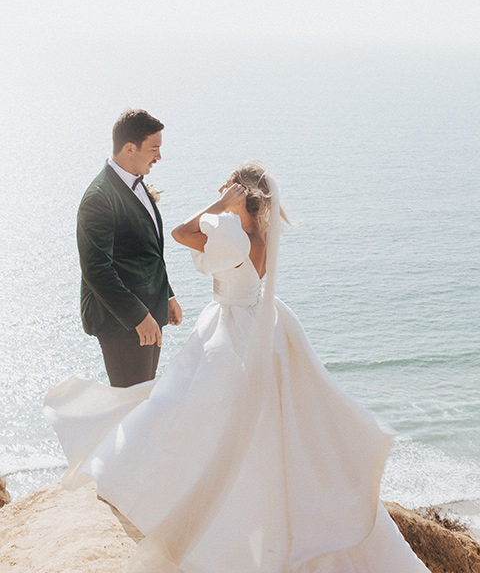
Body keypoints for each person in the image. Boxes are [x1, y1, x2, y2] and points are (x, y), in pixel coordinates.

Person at [45, 161, 430, 572]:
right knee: (244, 415)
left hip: (229, 326)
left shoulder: (232, 233)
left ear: (241, 193)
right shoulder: (259, 235)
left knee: (181, 404)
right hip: (257, 319)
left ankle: (158, 482)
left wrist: (218, 203)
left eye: (228, 183)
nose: (221, 186)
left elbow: (179, 233)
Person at [76, 108, 182, 387]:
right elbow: (96, 270)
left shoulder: (137, 184)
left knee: (143, 399)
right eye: (154, 148)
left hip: (149, 313)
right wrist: (137, 317)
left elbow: (147, 251)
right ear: (130, 148)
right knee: (129, 406)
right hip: (123, 325)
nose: (159, 156)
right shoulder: (99, 198)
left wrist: (167, 295)